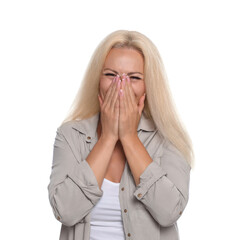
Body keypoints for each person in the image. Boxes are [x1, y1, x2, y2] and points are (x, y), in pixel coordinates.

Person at [47, 29, 194, 240]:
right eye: (110, 75)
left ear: (148, 86)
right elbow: (65, 211)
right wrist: (108, 138)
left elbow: (169, 211)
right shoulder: (70, 135)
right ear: (97, 80)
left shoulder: (169, 138)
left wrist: (128, 137)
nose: (120, 86)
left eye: (133, 77)